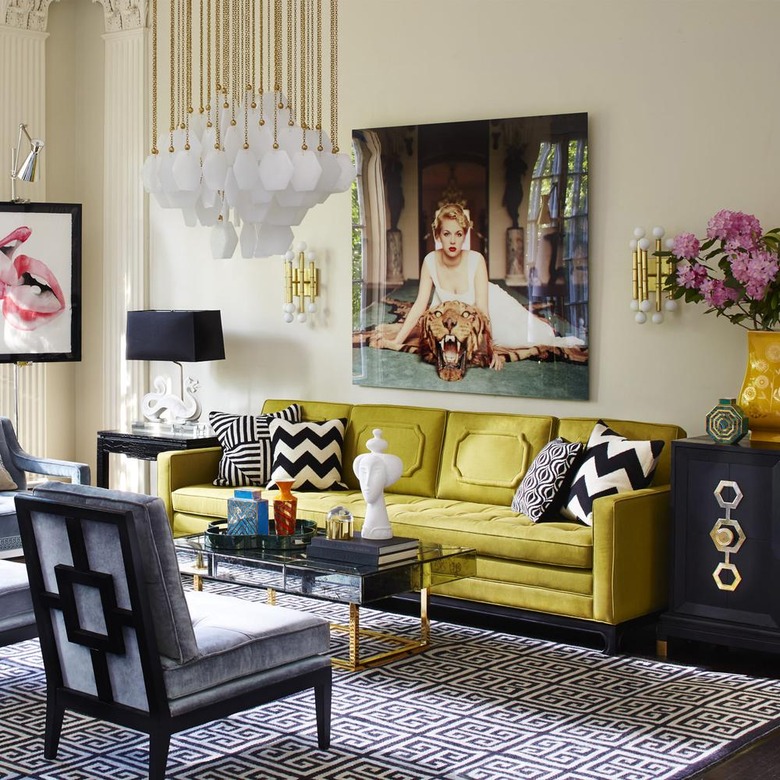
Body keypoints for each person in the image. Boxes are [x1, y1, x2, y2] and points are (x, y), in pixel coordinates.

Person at [386, 204, 582, 369]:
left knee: (527, 338)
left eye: (459, 234)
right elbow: (420, 304)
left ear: (464, 235)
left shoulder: (476, 259)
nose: (453, 240)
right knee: (435, 335)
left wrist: (491, 350)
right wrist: (397, 341)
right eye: (446, 233)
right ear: (438, 236)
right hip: (453, 314)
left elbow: (482, 309)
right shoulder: (430, 261)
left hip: (493, 306)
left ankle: (545, 329)